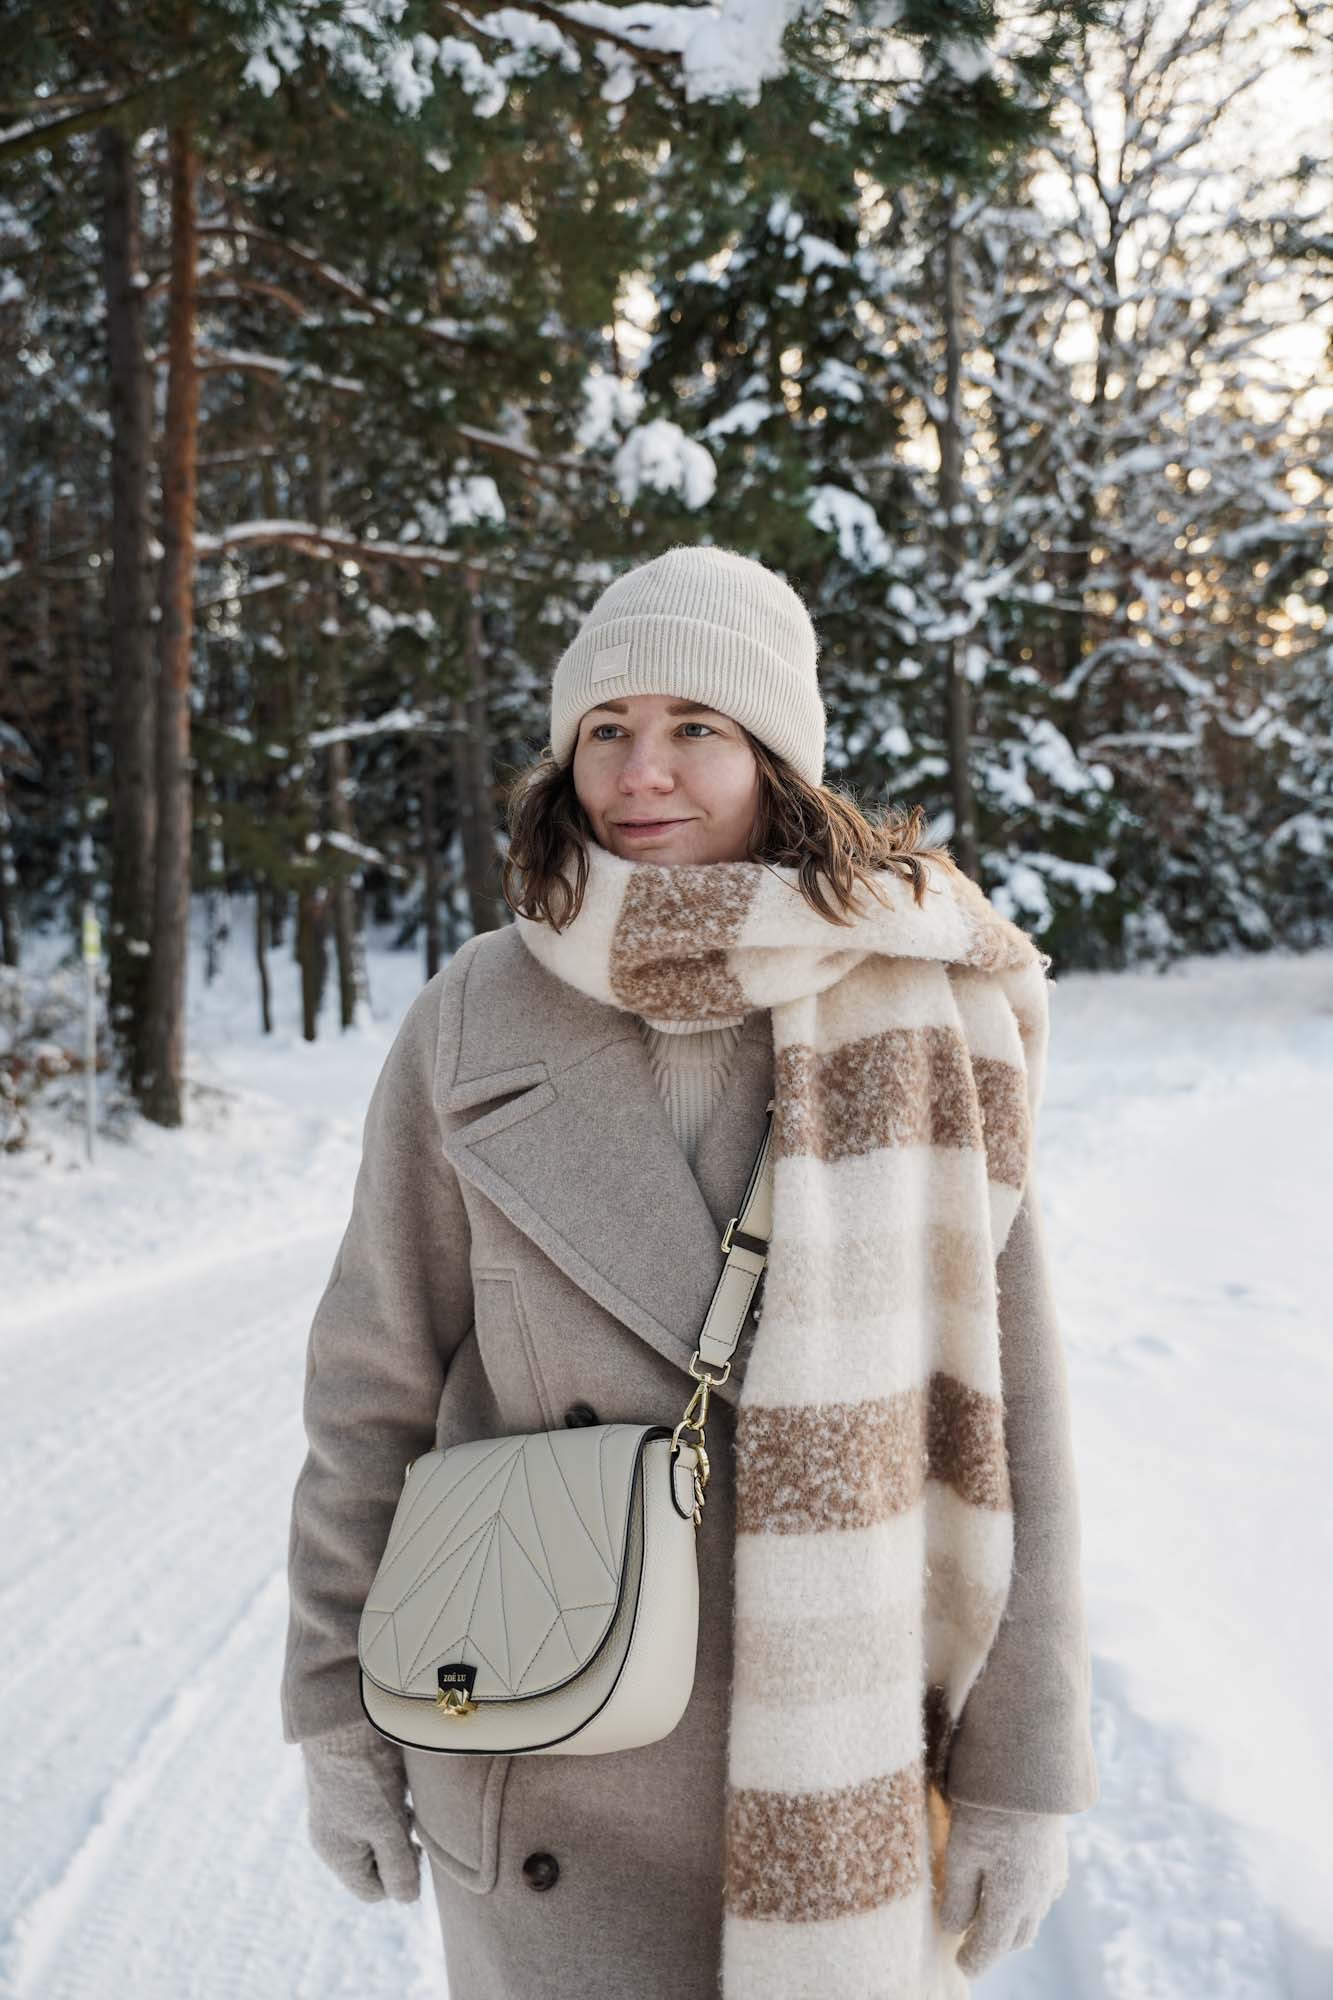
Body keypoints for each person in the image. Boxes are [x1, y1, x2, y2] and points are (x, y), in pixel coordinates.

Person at [280, 544, 1098, 1999]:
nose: (639, 774)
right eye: (606, 730)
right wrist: (336, 1718)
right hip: (547, 1742)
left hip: (836, 1755)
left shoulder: (919, 1009)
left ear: (776, 756)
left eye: (693, 729)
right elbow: (370, 1391)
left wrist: (1025, 1766)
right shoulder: (471, 1015)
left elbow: (1007, 1414)